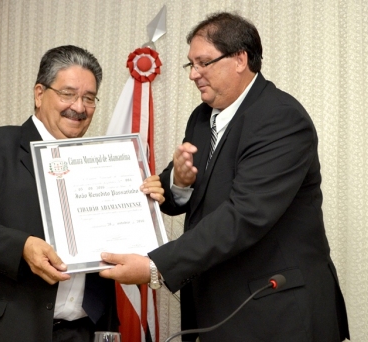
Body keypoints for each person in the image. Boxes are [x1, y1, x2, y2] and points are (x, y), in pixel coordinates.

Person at [100, 12, 350, 342]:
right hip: (218, 307)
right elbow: (176, 191)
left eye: (203, 62)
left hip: (276, 312)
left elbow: (244, 215)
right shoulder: (203, 118)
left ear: (239, 59)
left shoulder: (280, 118)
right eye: (191, 64)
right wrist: (179, 182)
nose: (194, 75)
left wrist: (155, 266)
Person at [0, 45, 165, 342]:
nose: (78, 107)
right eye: (67, 94)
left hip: (83, 332)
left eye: (89, 98)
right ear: (39, 93)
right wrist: (21, 246)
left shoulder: (105, 162)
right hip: (4, 331)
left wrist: (142, 204)